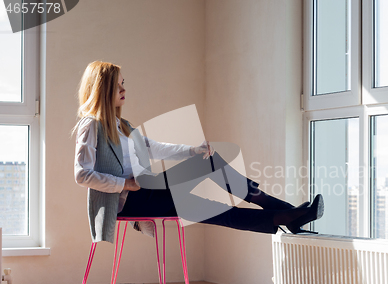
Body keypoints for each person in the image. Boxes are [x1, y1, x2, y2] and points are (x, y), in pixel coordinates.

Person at [73, 61, 323, 243]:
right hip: (129, 201)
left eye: (123, 83)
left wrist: (193, 151)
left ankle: (287, 213)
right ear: (103, 89)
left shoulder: (123, 125)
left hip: (146, 189)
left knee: (208, 160)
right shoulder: (91, 125)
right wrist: (123, 184)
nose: (123, 89)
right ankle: (289, 214)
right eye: (117, 86)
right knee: (212, 208)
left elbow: (154, 148)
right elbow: (82, 175)